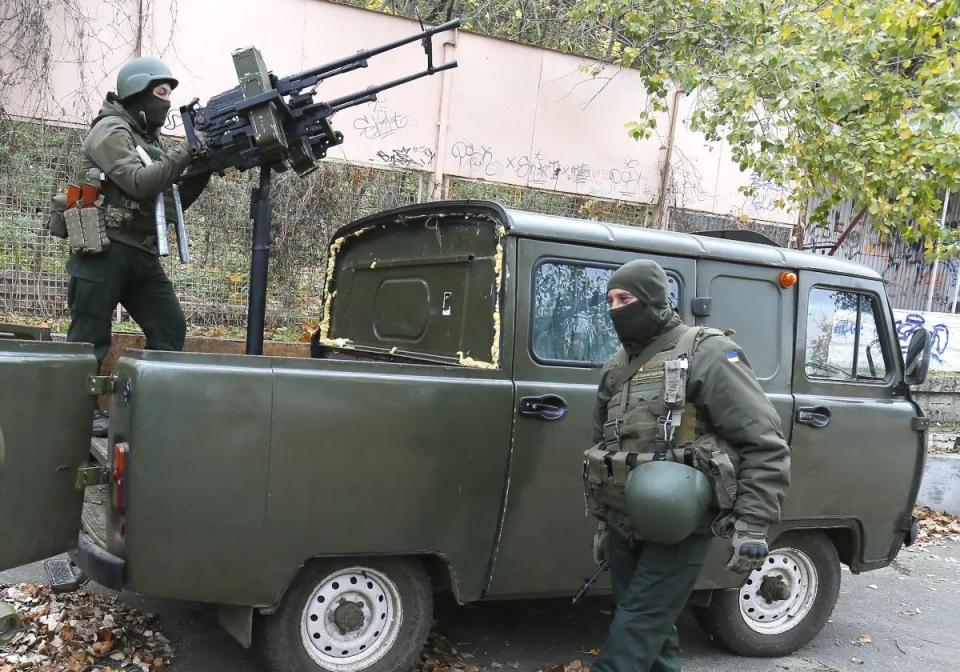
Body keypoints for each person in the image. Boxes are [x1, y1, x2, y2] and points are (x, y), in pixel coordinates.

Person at [584, 259, 791, 672]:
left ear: (654, 300)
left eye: (625, 298)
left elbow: (765, 442)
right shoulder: (615, 368)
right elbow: (604, 449)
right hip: (627, 520)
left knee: (636, 630)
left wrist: (752, 524)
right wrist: (606, 525)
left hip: (679, 523)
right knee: (652, 635)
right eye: (609, 299)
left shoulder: (707, 352)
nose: (615, 308)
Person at [59, 57, 210, 435]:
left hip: (141, 253)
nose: (168, 100)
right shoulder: (109, 130)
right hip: (103, 251)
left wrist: (203, 166)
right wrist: (185, 153)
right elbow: (139, 183)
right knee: (89, 340)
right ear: (137, 94)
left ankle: (148, 406)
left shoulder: (149, 139)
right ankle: (74, 415)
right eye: (161, 92)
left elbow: (172, 202)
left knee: (169, 328)